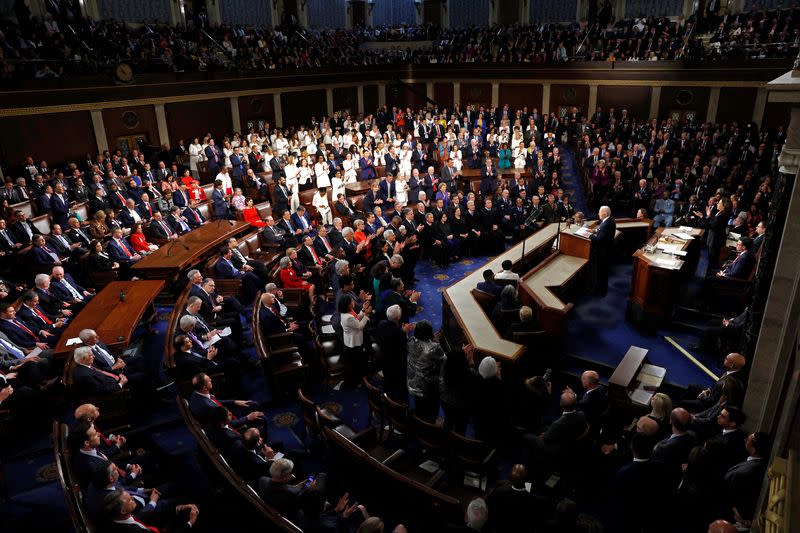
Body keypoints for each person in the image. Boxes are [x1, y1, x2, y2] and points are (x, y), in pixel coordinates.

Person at [406, 320, 445, 422]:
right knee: (432, 411)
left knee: (420, 407)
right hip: (426, 388)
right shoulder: (435, 348)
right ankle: (429, 425)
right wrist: (436, 343)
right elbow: (445, 361)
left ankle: (420, 417)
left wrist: (432, 342)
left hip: (412, 383)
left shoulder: (410, 341)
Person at [339, 293, 371, 385]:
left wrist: (363, 310)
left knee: (357, 361)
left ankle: (360, 378)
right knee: (356, 363)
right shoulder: (348, 317)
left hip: (352, 338)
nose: (353, 301)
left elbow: (356, 319)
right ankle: (357, 381)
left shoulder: (348, 311)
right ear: (348, 304)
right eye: (352, 301)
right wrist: (366, 315)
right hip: (353, 342)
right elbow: (359, 326)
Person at [588, 205, 615, 296]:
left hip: (602, 253)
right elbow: (602, 231)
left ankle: (600, 292)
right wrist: (595, 231)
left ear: (605, 213)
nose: (598, 213)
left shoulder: (605, 224)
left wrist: (589, 235)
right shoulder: (610, 220)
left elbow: (598, 239)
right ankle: (603, 290)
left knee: (601, 272)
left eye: (599, 212)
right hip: (608, 251)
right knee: (603, 273)